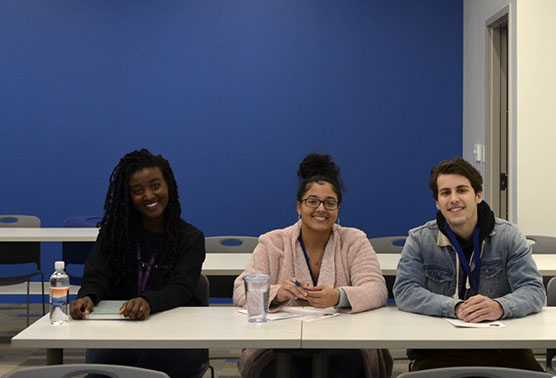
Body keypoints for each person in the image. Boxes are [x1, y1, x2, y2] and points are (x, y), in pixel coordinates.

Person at [233, 153, 392, 378]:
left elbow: (377, 289)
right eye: (312, 201)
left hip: (344, 342)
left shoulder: (354, 240)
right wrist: (277, 293)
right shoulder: (273, 242)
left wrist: (338, 296)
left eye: (330, 203)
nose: (321, 209)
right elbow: (240, 290)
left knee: (344, 364)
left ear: (337, 209)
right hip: (278, 344)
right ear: (299, 207)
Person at [393, 157, 546, 371]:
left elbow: (534, 290)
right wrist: (453, 307)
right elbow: (404, 290)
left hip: (504, 348)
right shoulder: (420, 239)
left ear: (478, 196)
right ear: (437, 202)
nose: (454, 199)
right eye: (445, 193)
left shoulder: (509, 236)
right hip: (439, 349)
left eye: (462, 190)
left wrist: (500, 307)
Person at [69, 149, 207, 378]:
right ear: (128, 196)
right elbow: (97, 275)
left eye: (155, 186)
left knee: (147, 370)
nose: (149, 196)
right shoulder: (113, 235)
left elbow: (181, 288)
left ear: (169, 186)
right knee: (101, 372)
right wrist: (88, 296)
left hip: (176, 335)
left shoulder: (190, 238)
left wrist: (147, 300)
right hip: (119, 332)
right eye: (137, 191)